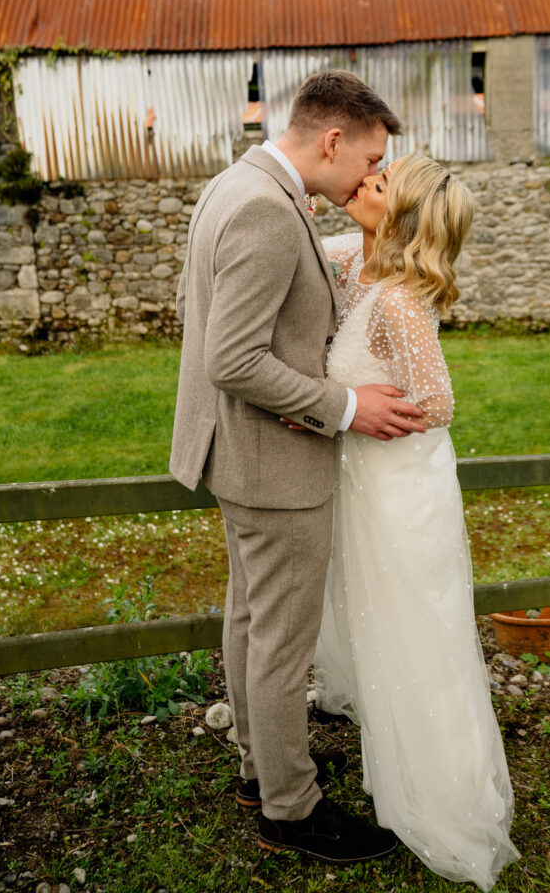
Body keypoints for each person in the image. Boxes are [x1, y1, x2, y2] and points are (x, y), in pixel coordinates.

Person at [170, 70, 427, 865]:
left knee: (251, 623)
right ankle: (291, 809)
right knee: (282, 643)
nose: (370, 176)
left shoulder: (237, 185)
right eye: (370, 157)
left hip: (237, 453)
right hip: (274, 464)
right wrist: (343, 406)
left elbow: (226, 315)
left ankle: (261, 769)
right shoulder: (264, 211)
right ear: (332, 140)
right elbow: (233, 357)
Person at [314, 154, 520, 889]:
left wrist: (363, 415)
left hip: (397, 489)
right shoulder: (355, 268)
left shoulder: (400, 301)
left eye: (378, 185)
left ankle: (445, 797)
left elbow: (438, 404)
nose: (362, 185)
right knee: (376, 631)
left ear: (399, 217)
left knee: (415, 638)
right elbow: (315, 244)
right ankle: (396, 762)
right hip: (363, 483)